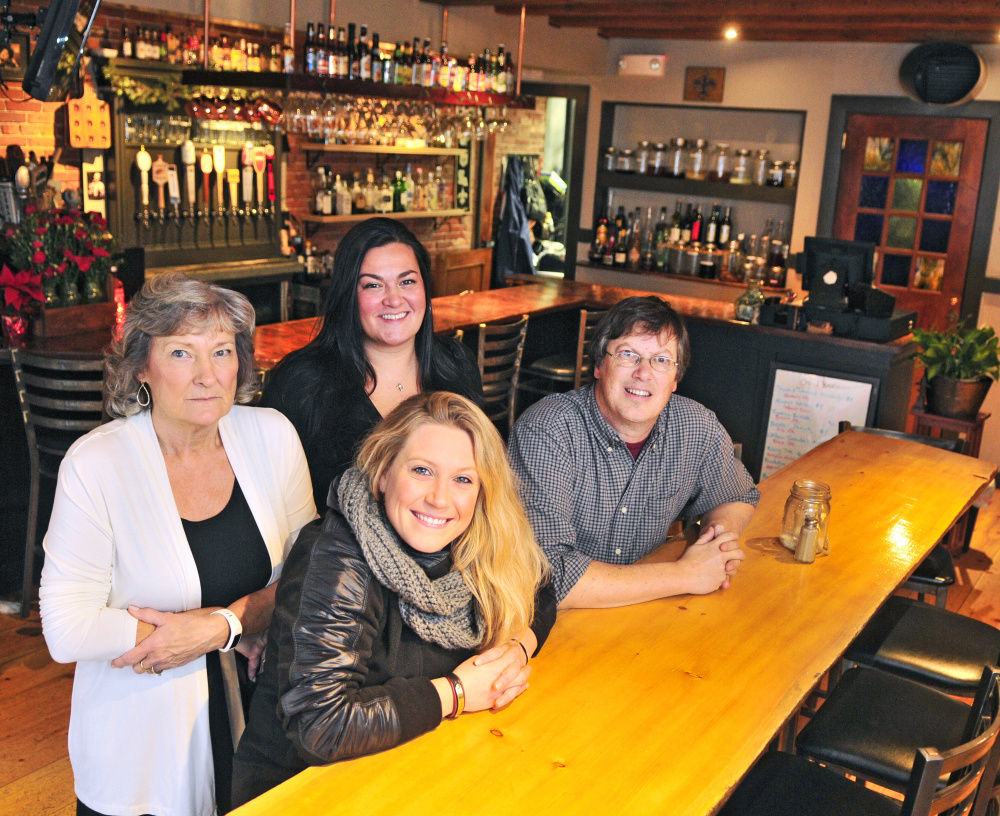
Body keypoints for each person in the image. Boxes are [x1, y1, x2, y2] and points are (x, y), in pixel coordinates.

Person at [39, 274, 317, 816]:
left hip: (264, 723)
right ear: (141, 365)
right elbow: (66, 628)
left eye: (221, 351)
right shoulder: (96, 465)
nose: (208, 375)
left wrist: (224, 625)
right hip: (140, 741)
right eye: (181, 353)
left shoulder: (273, 435)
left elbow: (311, 577)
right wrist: (222, 629)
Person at [231, 392, 555, 805]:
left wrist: (514, 650)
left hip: (413, 768)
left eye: (463, 479)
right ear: (383, 473)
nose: (440, 498)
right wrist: (455, 692)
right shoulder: (338, 558)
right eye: (422, 470)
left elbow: (542, 591)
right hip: (304, 791)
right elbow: (321, 724)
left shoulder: (475, 541)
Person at [508, 295, 758, 609]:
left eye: (661, 360)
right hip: (553, 625)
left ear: (675, 379)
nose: (644, 373)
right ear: (599, 365)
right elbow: (547, 577)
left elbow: (737, 496)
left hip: (641, 611)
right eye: (629, 354)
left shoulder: (695, 426)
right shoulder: (548, 431)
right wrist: (685, 574)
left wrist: (717, 545)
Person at [260, 217, 483, 509]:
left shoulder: (457, 365)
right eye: (373, 285)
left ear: (425, 291)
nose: (393, 299)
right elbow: (269, 501)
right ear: (348, 296)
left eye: (407, 281)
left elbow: (481, 478)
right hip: (337, 553)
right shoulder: (302, 382)